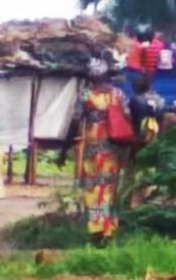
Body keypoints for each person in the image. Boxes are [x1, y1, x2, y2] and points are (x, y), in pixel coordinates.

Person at [78, 60, 129, 245]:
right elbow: (127, 116)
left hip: (93, 148)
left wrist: (65, 147)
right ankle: (109, 228)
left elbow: (76, 121)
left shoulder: (86, 95)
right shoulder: (118, 94)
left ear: (91, 77)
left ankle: (97, 228)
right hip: (113, 148)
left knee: (93, 190)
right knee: (109, 188)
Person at [129, 75, 163, 144]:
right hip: (156, 135)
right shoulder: (160, 99)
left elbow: (130, 117)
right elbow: (161, 118)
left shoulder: (135, 100)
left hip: (139, 135)